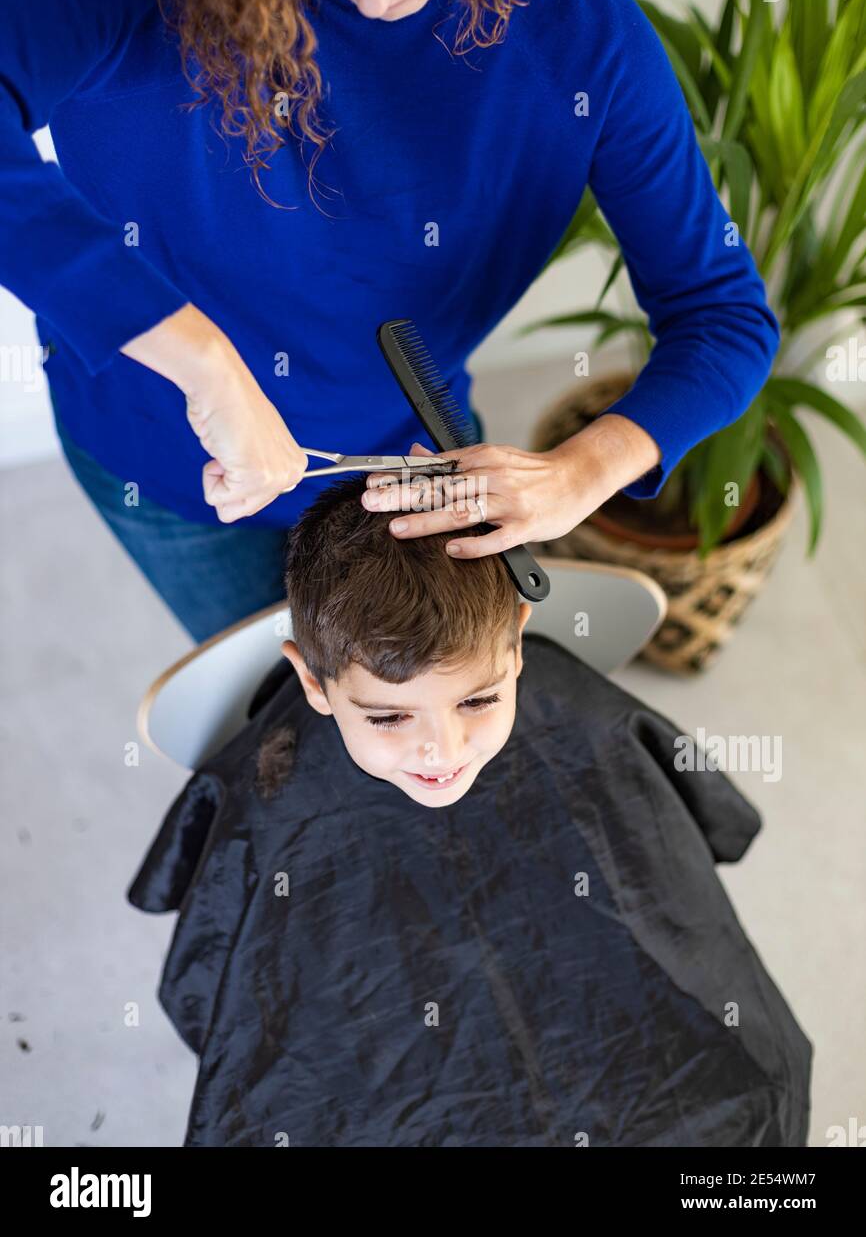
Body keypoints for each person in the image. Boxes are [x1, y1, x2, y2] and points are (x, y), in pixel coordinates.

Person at [0, 0, 780, 642]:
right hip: (168, 449)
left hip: (416, 452)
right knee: (280, 720)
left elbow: (723, 316)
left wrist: (581, 473)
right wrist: (203, 363)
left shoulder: (585, 43)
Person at [128, 476, 812, 1146]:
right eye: (390, 715)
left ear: (517, 642)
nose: (442, 751)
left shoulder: (579, 719)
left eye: (477, 701)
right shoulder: (274, 784)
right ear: (311, 680)